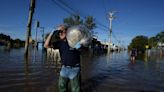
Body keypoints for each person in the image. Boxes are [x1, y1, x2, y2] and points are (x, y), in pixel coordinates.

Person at [44, 25, 81, 92]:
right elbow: (46, 45)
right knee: (61, 88)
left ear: (67, 32)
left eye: (61, 31)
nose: (60, 33)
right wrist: (51, 33)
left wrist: (80, 46)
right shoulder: (59, 43)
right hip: (64, 69)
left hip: (75, 69)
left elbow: (85, 47)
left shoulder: (74, 41)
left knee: (76, 90)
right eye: (58, 32)